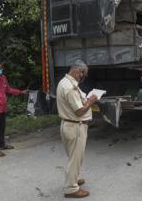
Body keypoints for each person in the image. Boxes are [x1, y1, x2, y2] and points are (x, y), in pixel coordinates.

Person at [56, 60, 98, 198]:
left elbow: (79, 101)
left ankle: (74, 179)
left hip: (69, 125)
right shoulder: (70, 87)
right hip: (75, 126)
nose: (82, 77)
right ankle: (71, 189)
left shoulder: (65, 82)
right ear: (77, 71)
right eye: (82, 74)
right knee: (75, 158)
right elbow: (79, 111)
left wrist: (87, 99)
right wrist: (91, 101)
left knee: (74, 157)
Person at [0, 63, 28, 157]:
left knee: (2, 127)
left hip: (3, 107)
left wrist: (20, 92)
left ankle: (2, 144)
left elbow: (8, 90)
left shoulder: (3, 78)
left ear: (2, 69)